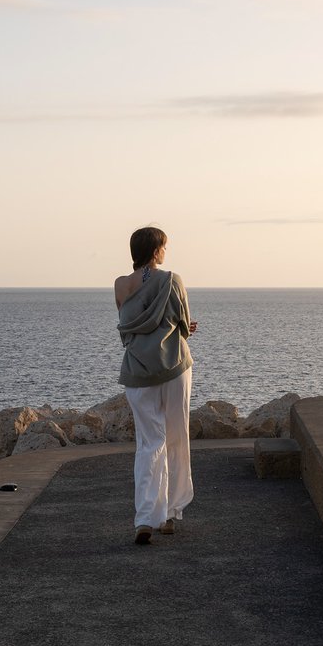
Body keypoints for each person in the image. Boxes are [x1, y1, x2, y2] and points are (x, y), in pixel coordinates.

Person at [114, 226, 199, 545]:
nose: (166, 253)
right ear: (155, 252)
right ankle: (171, 513)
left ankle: (145, 517)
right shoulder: (172, 280)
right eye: (164, 247)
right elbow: (183, 325)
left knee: (149, 444)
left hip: (137, 372)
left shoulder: (120, 285)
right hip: (174, 367)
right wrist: (183, 327)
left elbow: (127, 327)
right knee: (176, 437)